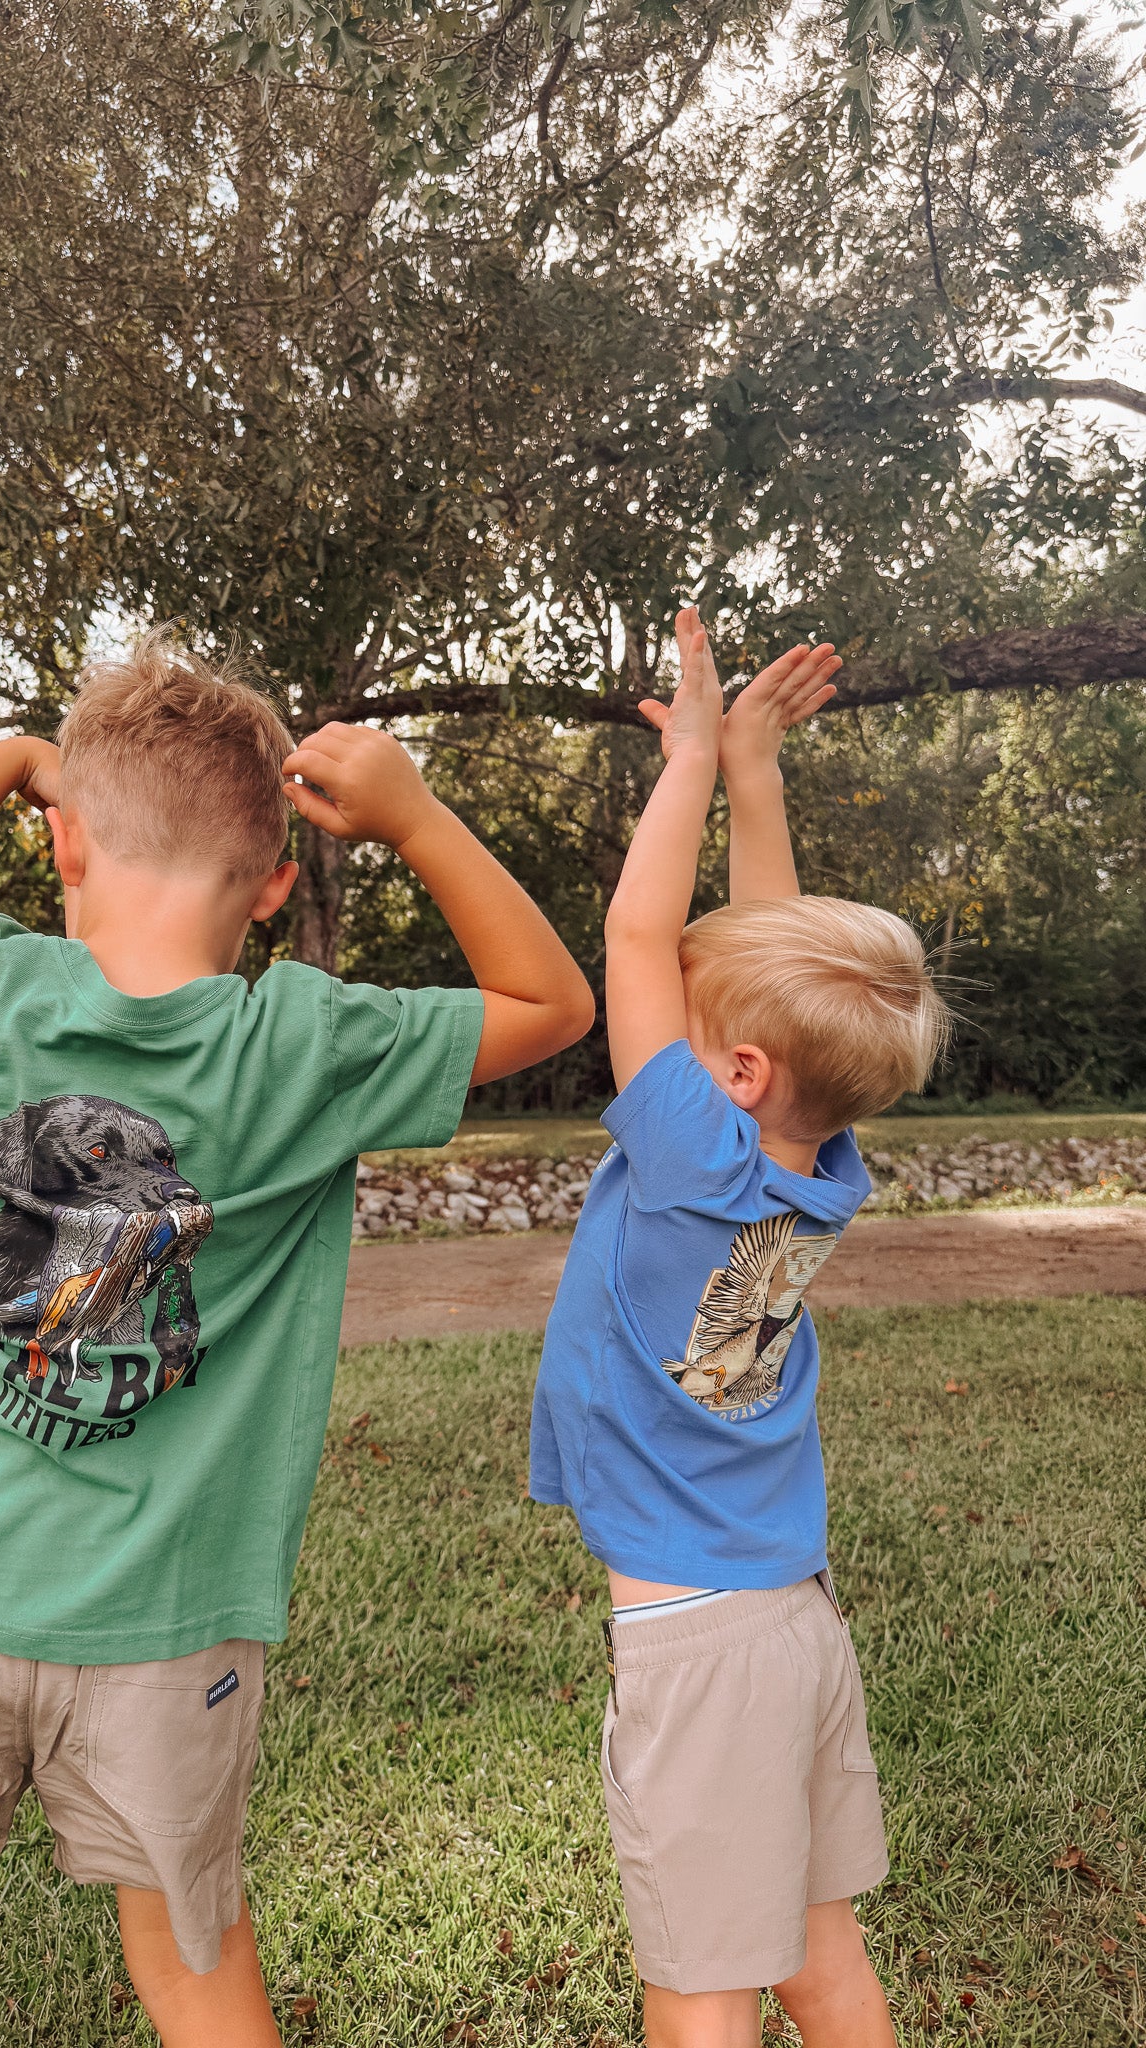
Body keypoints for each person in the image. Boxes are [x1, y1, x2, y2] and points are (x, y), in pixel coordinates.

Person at [0, 632, 594, 2048]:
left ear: (67, 850)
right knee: (196, 1978)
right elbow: (556, 1004)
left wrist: (18, 761)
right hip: (172, 1633)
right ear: (272, 891)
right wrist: (415, 816)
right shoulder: (303, 1049)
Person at [530, 609, 949, 2048]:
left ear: (739, 1070)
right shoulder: (813, 1173)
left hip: (701, 1650)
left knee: (700, 1981)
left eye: (695, 1039)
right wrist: (762, 783)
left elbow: (637, 930)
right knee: (814, 1953)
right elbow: (764, 974)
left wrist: (698, 757)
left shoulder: (688, 1163)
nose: (672, 1045)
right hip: (787, 1618)